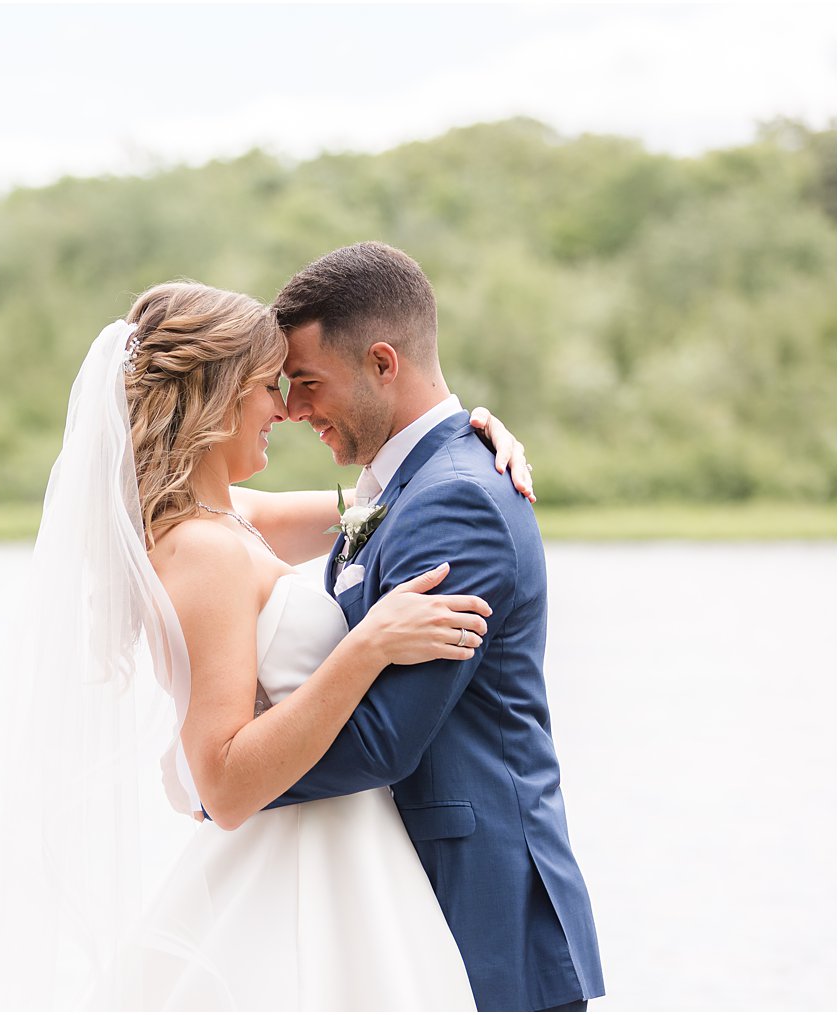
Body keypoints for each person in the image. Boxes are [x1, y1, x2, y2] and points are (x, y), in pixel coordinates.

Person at [7, 279, 537, 1010]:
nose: (284, 410)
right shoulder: (204, 551)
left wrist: (471, 439)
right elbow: (222, 780)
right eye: (267, 387)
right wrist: (367, 647)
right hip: (297, 862)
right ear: (218, 395)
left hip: (349, 847)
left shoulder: (230, 517)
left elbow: (395, 501)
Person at [263, 241, 605, 1012]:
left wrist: (229, 776)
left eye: (308, 383)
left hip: (478, 904)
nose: (292, 409)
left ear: (383, 362)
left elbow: (386, 738)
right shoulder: (402, 488)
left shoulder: (456, 498)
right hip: (404, 894)